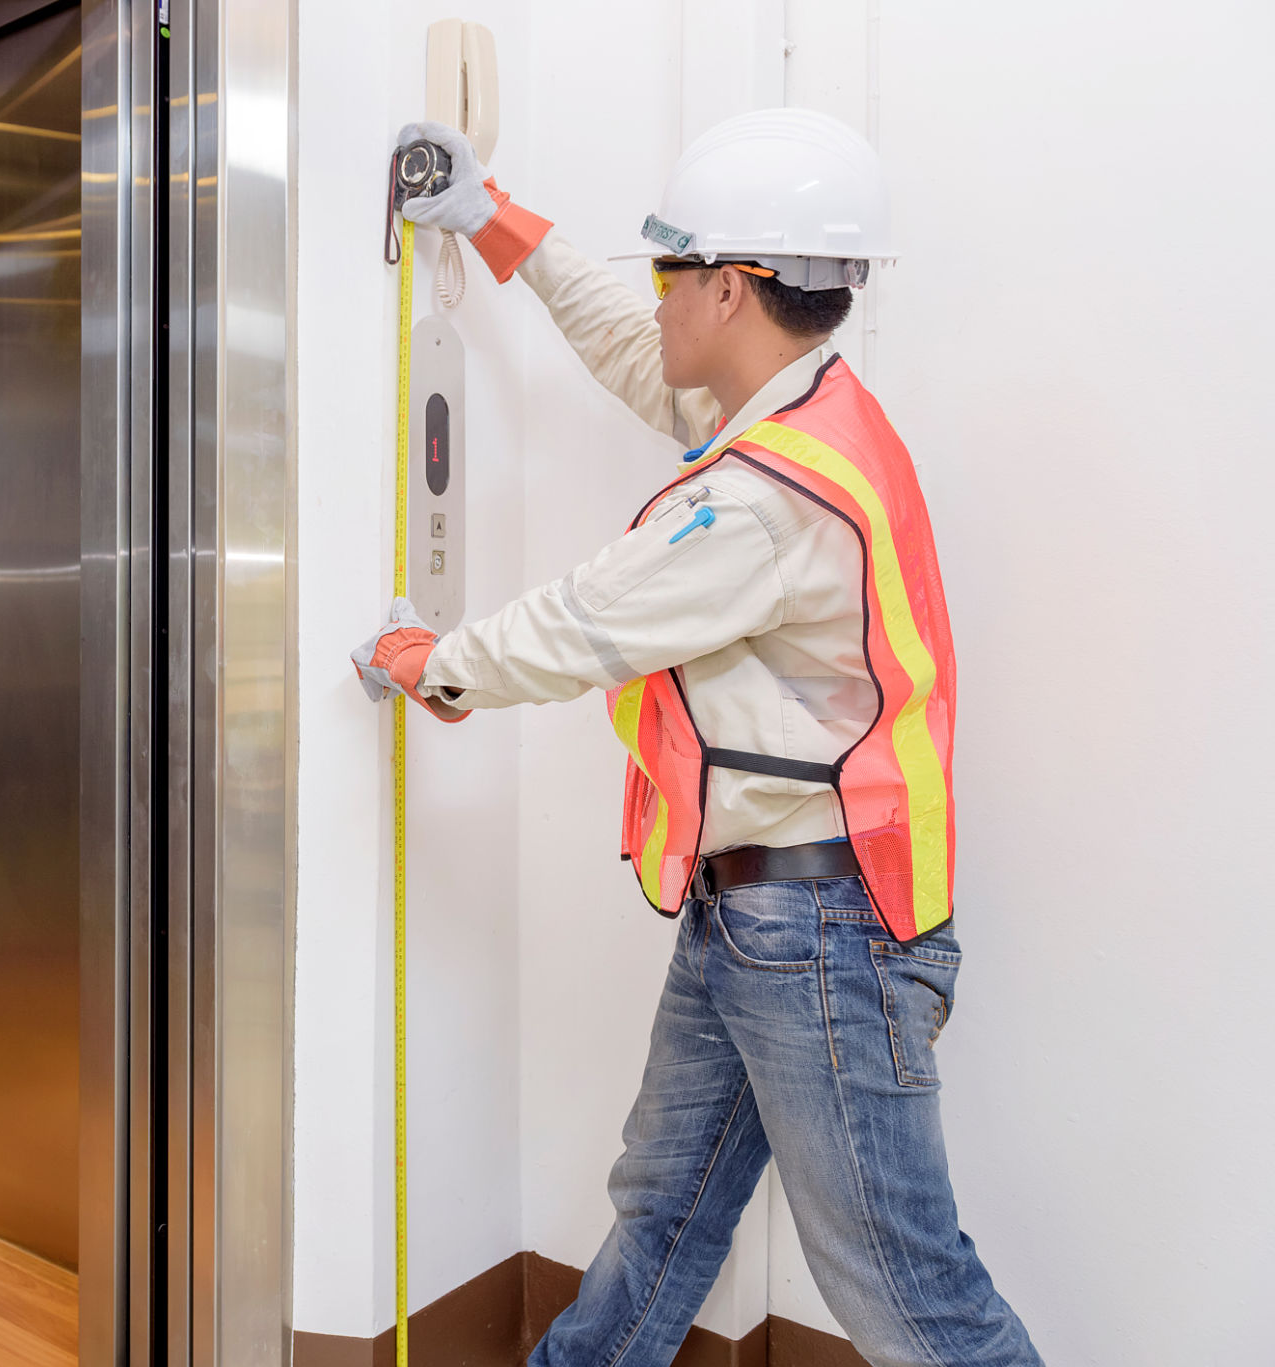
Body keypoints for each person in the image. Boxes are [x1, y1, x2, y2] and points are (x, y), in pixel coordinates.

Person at [352, 110, 1043, 1367]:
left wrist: (429, 665)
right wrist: (491, 219)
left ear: (728, 287)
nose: (652, 294)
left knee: (910, 1298)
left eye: (667, 269)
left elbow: (586, 619)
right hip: (759, 917)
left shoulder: (762, 495)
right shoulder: (806, 413)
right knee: (660, 1214)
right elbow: (634, 351)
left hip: (817, 941)